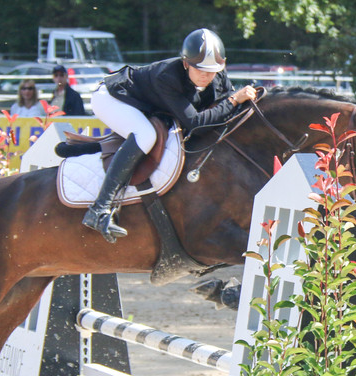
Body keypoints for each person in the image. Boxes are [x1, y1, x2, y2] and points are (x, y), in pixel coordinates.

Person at [82, 28, 256, 242]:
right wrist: (234, 100)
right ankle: (99, 209)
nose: (206, 75)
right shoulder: (167, 77)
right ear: (185, 63)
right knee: (145, 135)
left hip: (146, 104)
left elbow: (223, 112)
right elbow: (197, 123)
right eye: (200, 69)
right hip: (113, 98)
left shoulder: (217, 76)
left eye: (212, 70)